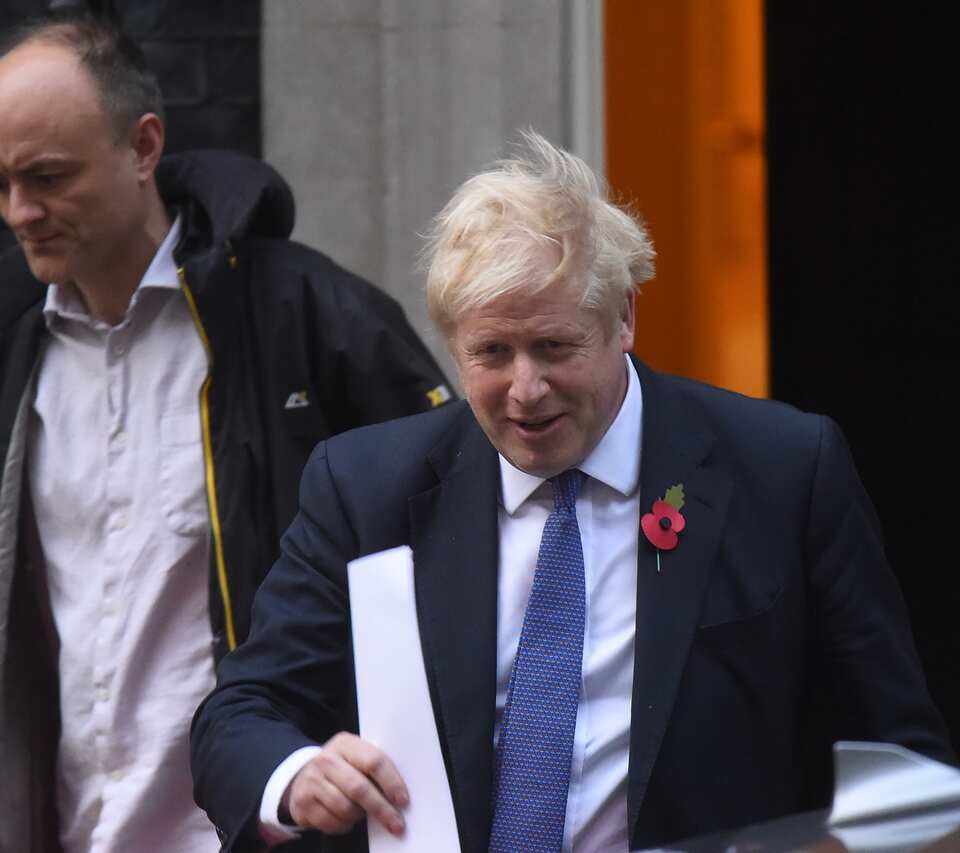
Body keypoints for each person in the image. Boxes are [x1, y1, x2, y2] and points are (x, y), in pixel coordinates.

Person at [0, 12, 451, 853]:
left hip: (255, 829)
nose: (21, 211)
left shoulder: (303, 317)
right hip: (64, 826)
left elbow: (451, 527)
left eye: (49, 177)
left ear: (143, 146)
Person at [189, 129, 954, 852]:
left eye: (554, 347)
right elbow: (240, 714)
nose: (526, 389)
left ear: (623, 318)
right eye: (492, 352)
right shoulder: (366, 487)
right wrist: (296, 776)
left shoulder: (784, 469)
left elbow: (899, 758)